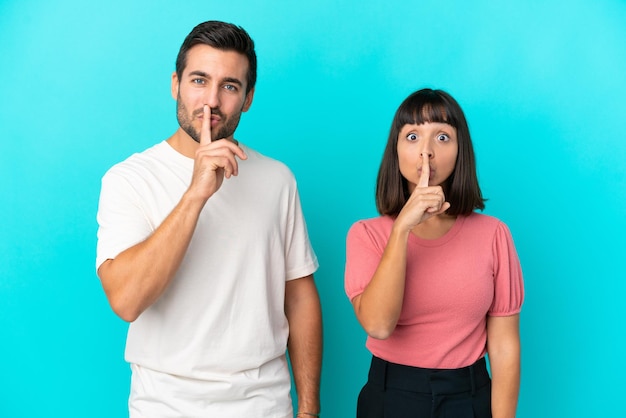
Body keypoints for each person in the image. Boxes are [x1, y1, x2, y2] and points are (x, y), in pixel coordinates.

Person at [96, 21, 322, 418]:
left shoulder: (277, 179)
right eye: (199, 80)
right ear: (175, 84)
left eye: (230, 86)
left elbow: (300, 297)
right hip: (164, 406)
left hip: (263, 405)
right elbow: (127, 301)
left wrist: (308, 409)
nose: (211, 101)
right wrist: (196, 194)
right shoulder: (129, 179)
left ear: (248, 97)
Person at [344, 88, 524, 418]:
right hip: (390, 397)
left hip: (469, 397)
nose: (426, 151)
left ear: (460, 151)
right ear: (395, 151)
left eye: (442, 137)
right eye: (412, 136)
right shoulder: (366, 234)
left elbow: (504, 346)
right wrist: (401, 230)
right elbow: (379, 325)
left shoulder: (494, 234)